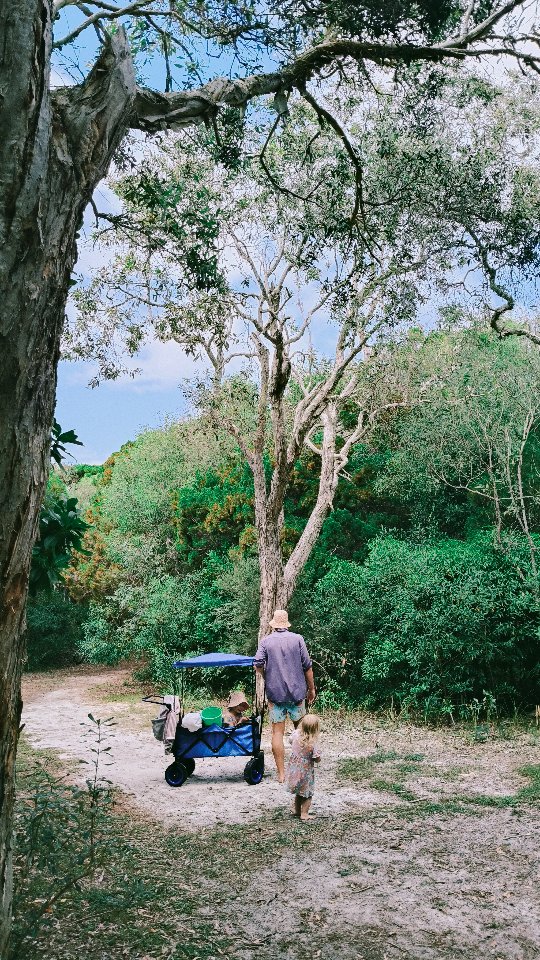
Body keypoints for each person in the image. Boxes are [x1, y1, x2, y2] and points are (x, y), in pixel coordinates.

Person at [254, 609, 316, 782]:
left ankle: (281, 774)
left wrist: (267, 675)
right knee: (302, 731)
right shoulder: (298, 639)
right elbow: (308, 667)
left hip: (275, 696)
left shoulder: (266, 642)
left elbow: (257, 664)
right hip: (297, 695)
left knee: (277, 734)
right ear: (287, 624)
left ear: (274, 624)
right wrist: (311, 690)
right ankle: (302, 768)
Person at [286, 714, 321, 820]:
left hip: (295, 769)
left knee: (298, 791)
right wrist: (317, 759)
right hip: (305, 771)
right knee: (307, 793)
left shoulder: (295, 734)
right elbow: (317, 758)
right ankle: (304, 814)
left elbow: (290, 740)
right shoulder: (313, 742)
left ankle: (297, 810)